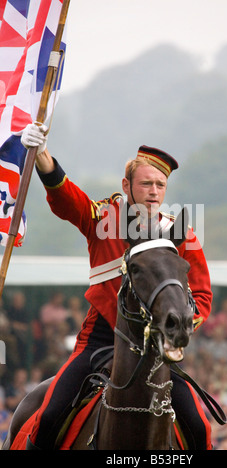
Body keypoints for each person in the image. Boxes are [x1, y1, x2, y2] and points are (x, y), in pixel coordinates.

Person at [20, 123, 213, 450]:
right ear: (127, 185)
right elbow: (68, 199)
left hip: (157, 350)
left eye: (160, 185)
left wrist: (176, 326)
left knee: (200, 427)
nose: (154, 191)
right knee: (48, 417)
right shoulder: (102, 217)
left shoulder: (182, 234)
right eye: (146, 184)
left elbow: (202, 296)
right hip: (99, 341)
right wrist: (42, 157)